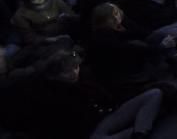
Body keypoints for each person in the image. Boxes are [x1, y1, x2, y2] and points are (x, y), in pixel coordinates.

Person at [7, 49, 164, 139]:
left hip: (108, 115)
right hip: (90, 131)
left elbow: (109, 95)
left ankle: (139, 132)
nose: (75, 73)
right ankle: (139, 129)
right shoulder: (50, 95)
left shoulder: (85, 78)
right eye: (68, 72)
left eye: (75, 68)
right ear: (55, 75)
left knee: (154, 94)